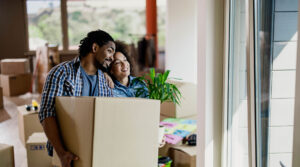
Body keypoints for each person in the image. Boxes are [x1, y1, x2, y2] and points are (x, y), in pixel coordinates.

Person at [38, 30, 115, 167]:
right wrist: (62, 153)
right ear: (95, 48)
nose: (112, 57)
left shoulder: (106, 82)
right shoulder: (60, 73)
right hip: (68, 153)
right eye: (110, 51)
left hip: (97, 152)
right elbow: (47, 113)